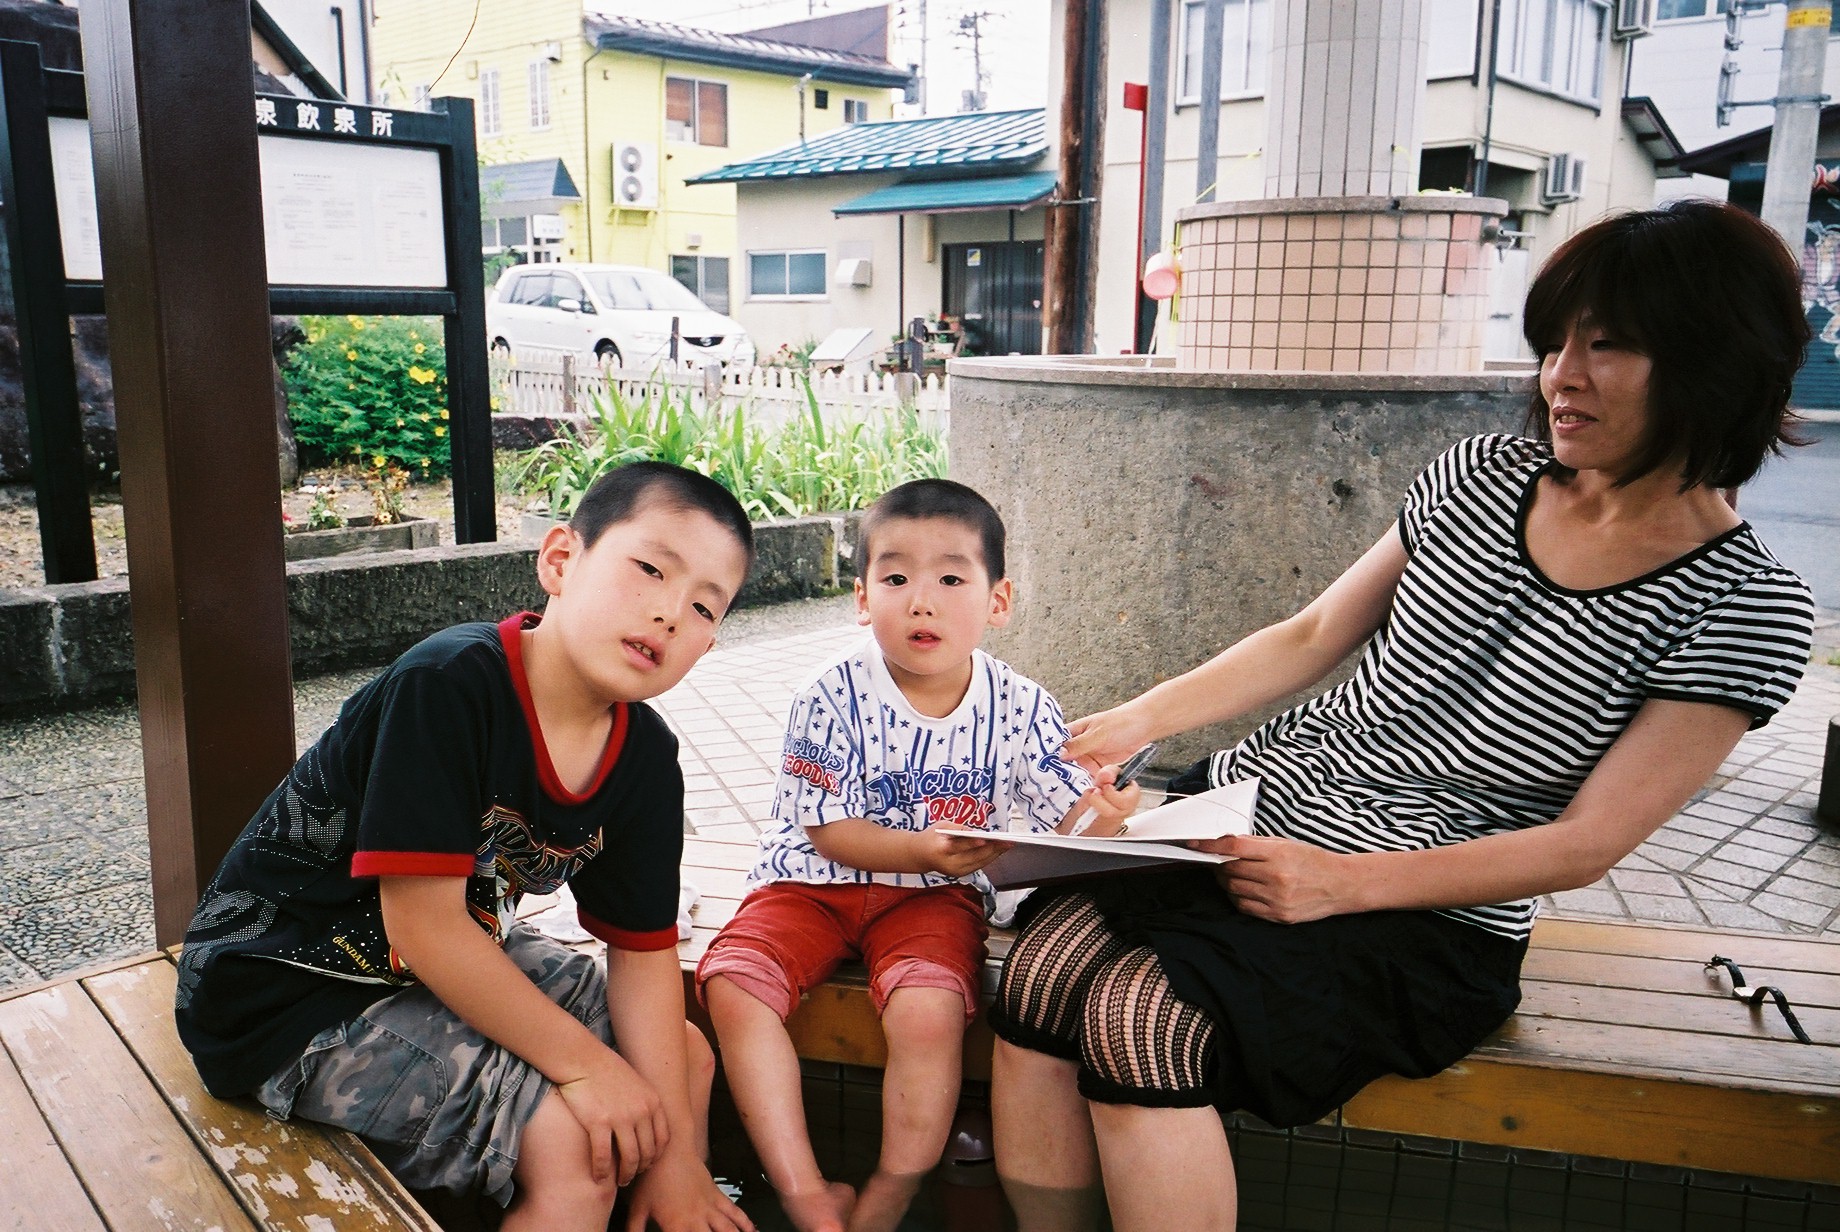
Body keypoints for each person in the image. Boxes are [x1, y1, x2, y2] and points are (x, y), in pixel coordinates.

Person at [987, 198, 1819, 1232]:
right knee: (1038, 977)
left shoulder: (1744, 604)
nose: (1561, 375)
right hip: (1245, 826)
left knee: (1137, 1020)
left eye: (1608, 345)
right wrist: (1131, 721)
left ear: (1716, 363)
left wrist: (1341, 884)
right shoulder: (1477, 477)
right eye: (1555, 342)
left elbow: (1586, 843)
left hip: (1422, 912)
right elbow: (1310, 634)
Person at [175, 462, 757, 1232]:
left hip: (433, 965)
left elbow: (643, 955)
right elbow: (424, 927)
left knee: (685, 1060)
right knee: (575, 1148)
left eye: (704, 606)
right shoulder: (449, 684)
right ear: (560, 560)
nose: (669, 612)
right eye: (650, 568)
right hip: (287, 997)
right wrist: (588, 1069)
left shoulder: (645, 759)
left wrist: (679, 1161)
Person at [696, 479, 1140, 1232]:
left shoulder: (1023, 706)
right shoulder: (828, 695)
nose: (921, 602)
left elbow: (1067, 822)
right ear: (862, 598)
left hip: (934, 899)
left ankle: (892, 1190)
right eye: (896, 578)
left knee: (930, 1012)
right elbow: (825, 829)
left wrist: (1109, 810)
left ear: (999, 601)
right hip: (809, 884)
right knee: (734, 986)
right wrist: (924, 849)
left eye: (951, 579)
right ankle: (803, 1191)